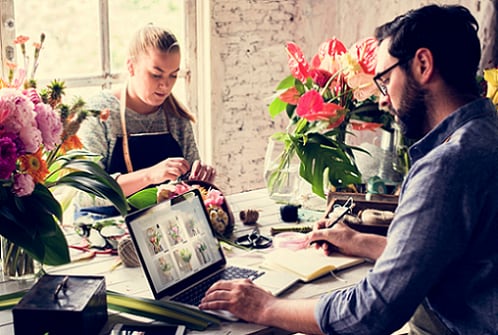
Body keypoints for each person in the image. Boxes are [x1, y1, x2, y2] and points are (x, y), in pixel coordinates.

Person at [199, 4, 498, 334]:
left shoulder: (447, 166)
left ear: (423, 65)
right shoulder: (486, 133)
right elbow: (442, 258)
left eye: (385, 80)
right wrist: (362, 242)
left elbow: (374, 310)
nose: (383, 99)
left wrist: (266, 306)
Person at [78, 25, 215, 197]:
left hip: (165, 221)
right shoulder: (99, 113)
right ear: (131, 67)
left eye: (173, 75)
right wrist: (149, 176)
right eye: (156, 75)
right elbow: (85, 193)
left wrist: (201, 181)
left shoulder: (176, 117)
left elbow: (190, 191)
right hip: (105, 222)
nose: (165, 85)